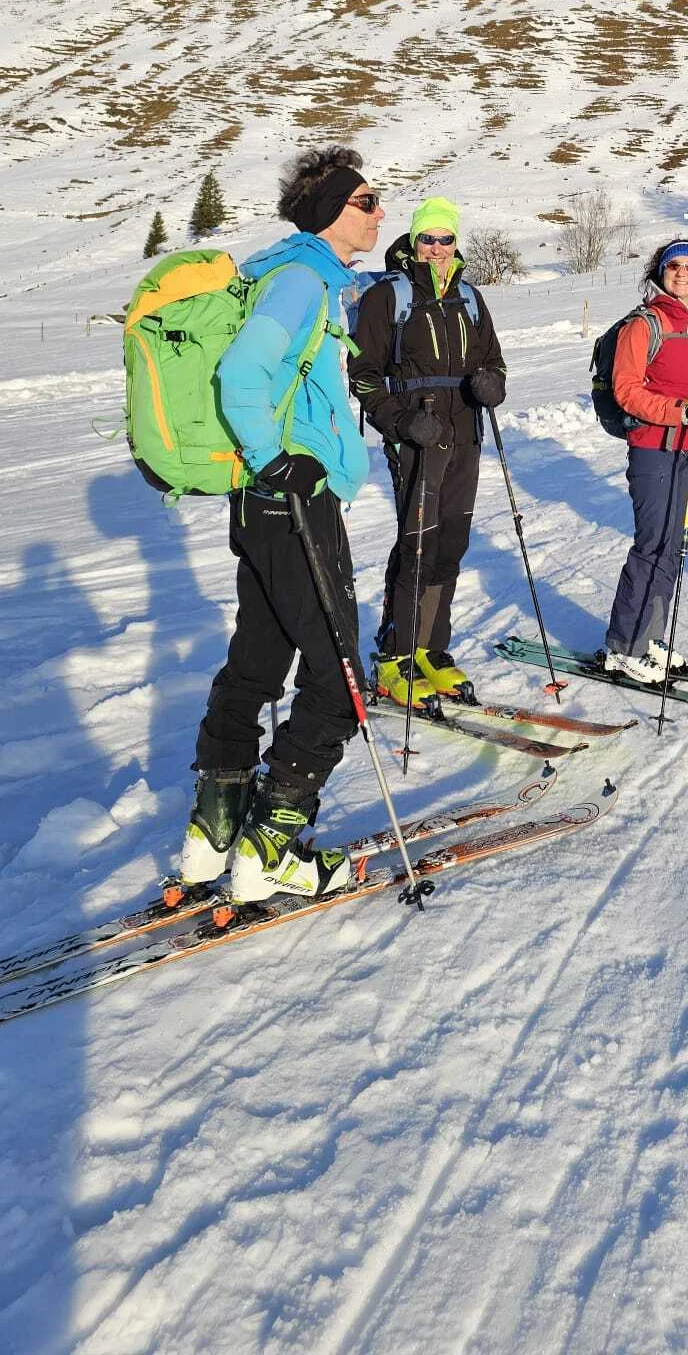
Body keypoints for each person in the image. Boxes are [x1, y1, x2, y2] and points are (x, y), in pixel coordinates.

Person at [179, 146, 383, 901]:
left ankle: (215, 829)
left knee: (259, 661)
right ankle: (272, 845)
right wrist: (274, 458)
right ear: (332, 211)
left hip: (268, 502)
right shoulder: (300, 281)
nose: (378, 211)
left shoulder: (302, 278)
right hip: (293, 498)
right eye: (367, 200)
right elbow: (242, 375)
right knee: (339, 679)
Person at [347, 197, 506, 706]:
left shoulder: (472, 298)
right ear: (414, 243)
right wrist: (399, 420)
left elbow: (494, 361)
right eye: (427, 238)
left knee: (451, 542)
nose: (437, 248)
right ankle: (395, 656)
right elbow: (364, 376)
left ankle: (431, 650)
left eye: (446, 239)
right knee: (417, 543)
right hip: (416, 435)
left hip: (465, 433)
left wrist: (491, 385)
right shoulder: (388, 298)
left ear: (457, 243)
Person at [602, 239, 688, 684]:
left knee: (678, 541)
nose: (681, 273)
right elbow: (626, 390)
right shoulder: (644, 325)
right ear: (660, 272)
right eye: (673, 266)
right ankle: (623, 647)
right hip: (653, 447)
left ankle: (651, 637)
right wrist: (679, 411)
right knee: (653, 543)